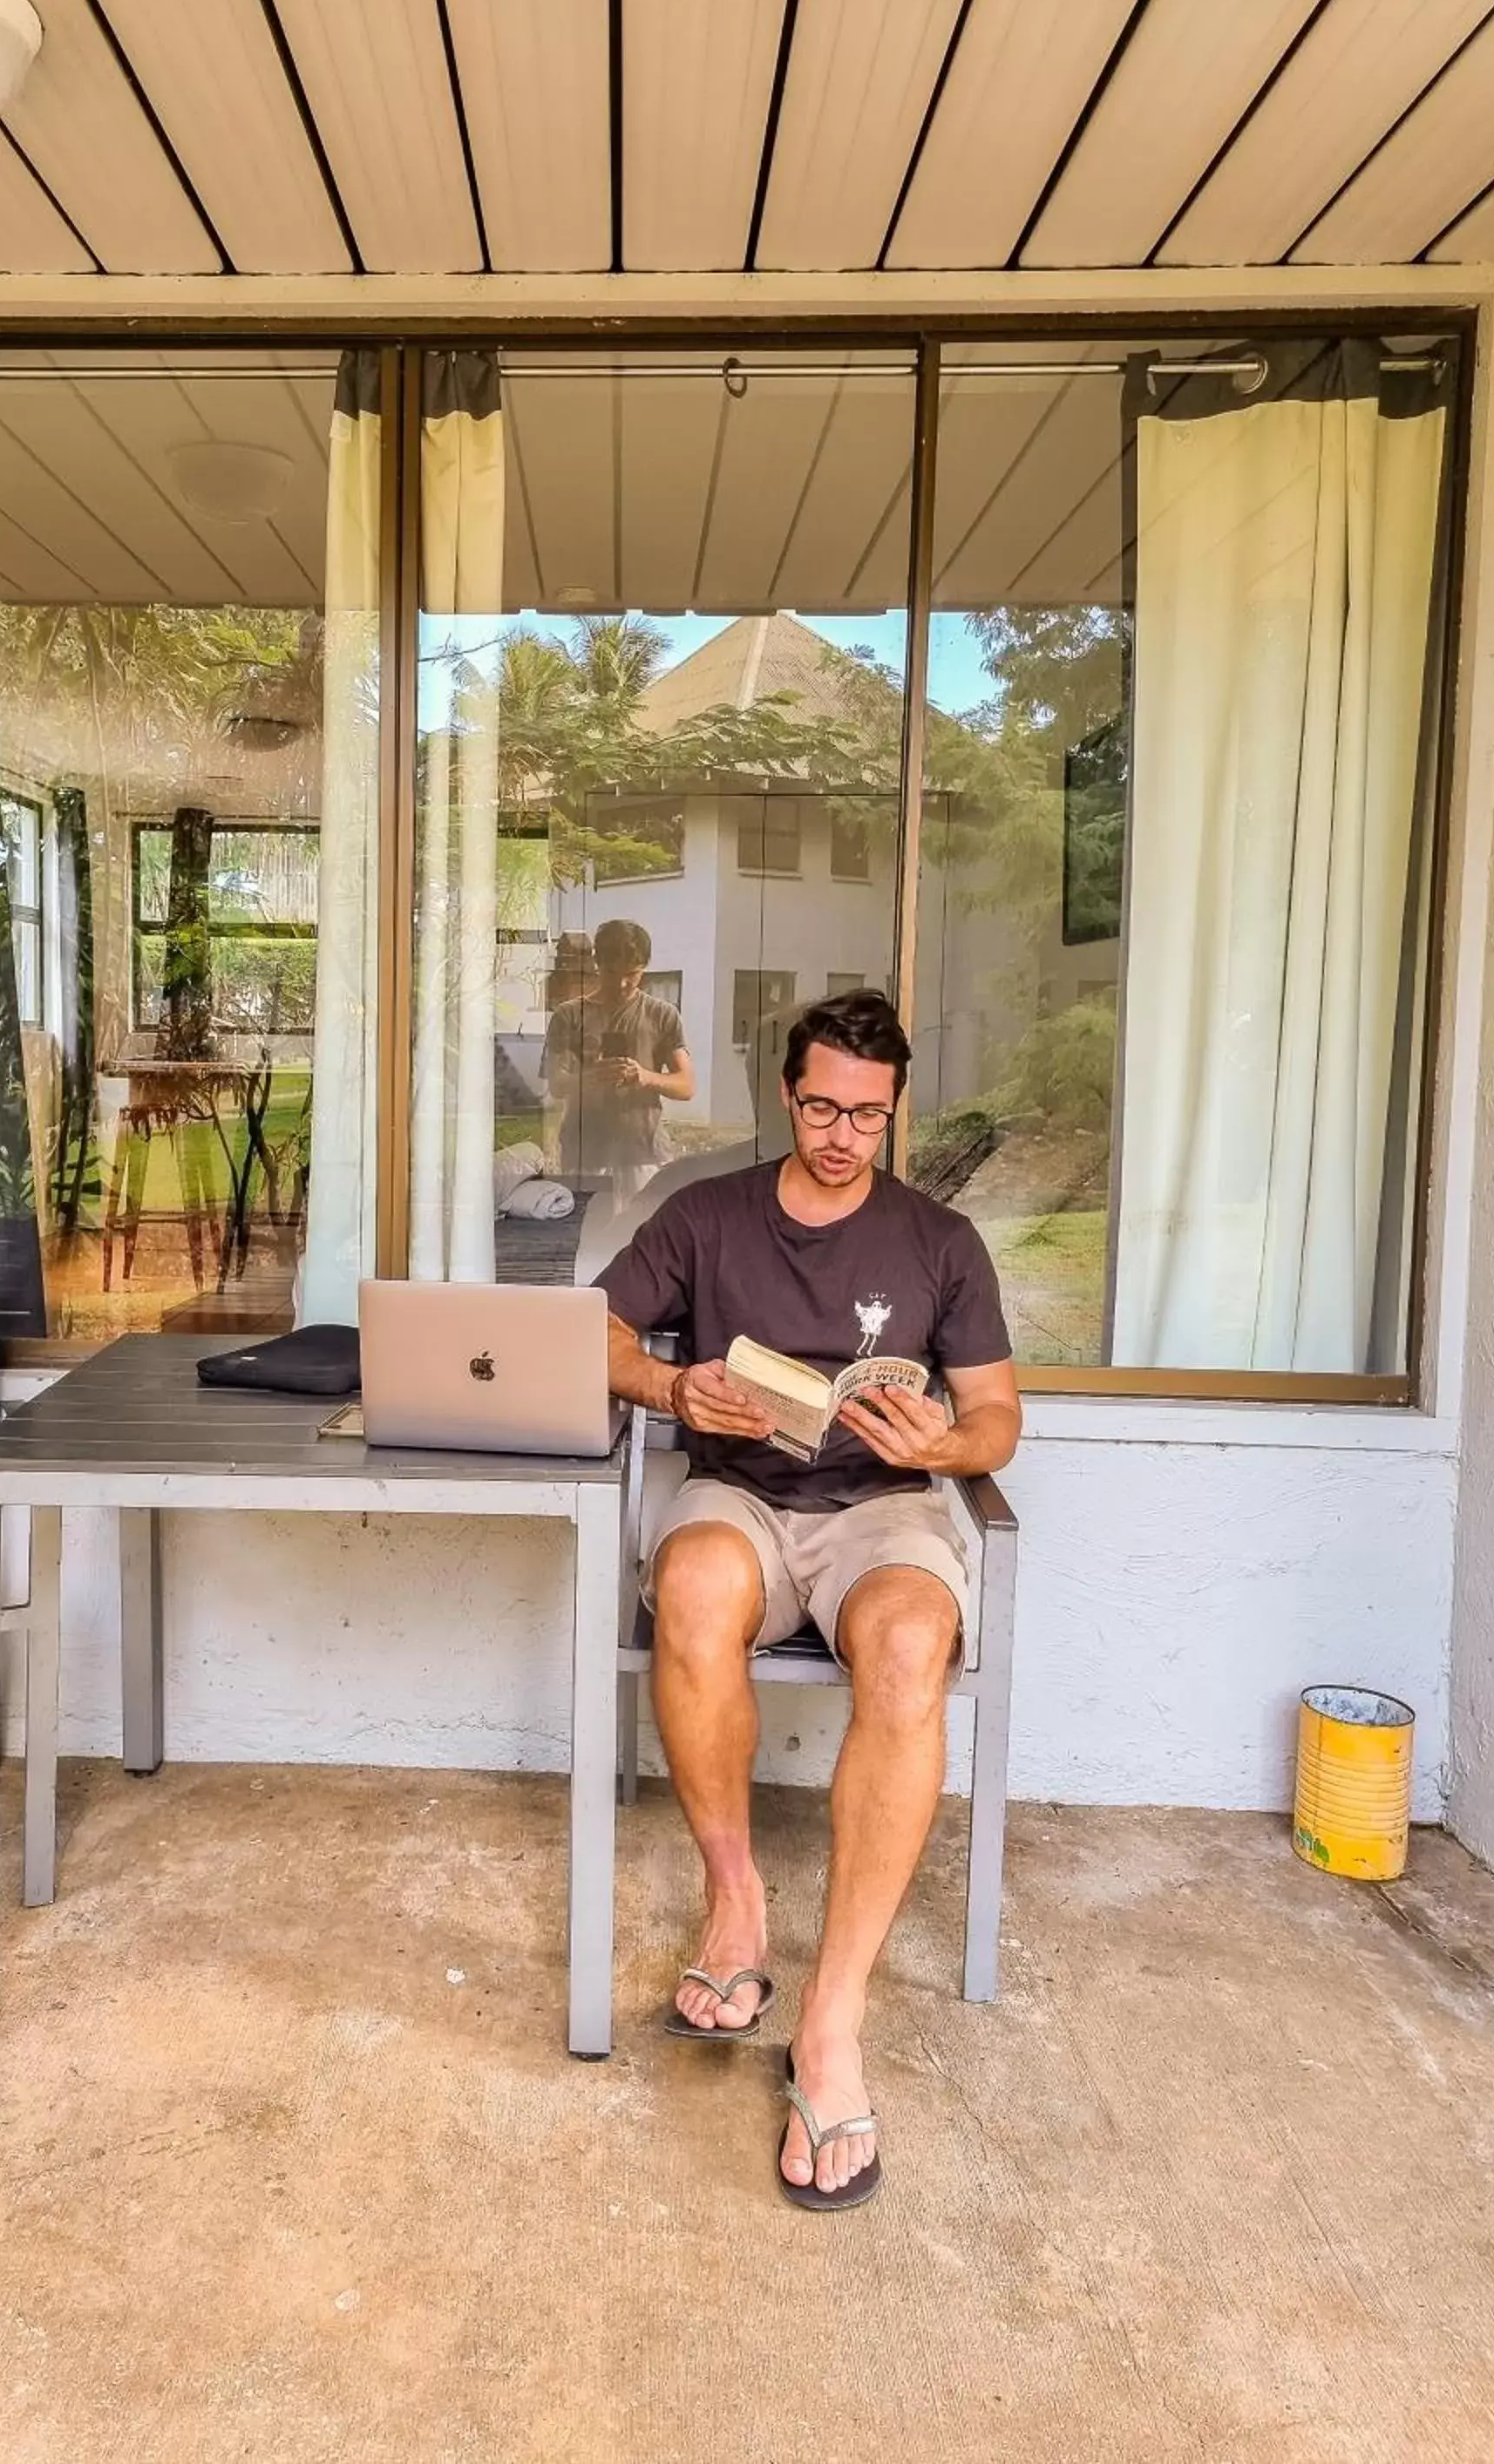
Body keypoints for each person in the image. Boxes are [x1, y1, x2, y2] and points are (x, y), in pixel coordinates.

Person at [599, 988, 1020, 2212]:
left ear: (894, 1113)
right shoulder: (707, 1218)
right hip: (740, 1492)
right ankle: (736, 1905)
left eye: (869, 1117)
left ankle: (830, 2022)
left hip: (880, 1511)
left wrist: (944, 1442)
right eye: (823, 1107)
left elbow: (999, 1416)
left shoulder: (940, 1243)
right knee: (687, 1587)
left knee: (908, 1643)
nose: (843, 1134)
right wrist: (674, 1391)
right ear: (786, 1097)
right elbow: (598, 1336)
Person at [544, 919, 694, 1200]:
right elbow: (556, 1084)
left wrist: (644, 1076)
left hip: (643, 1152)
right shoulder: (568, 1016)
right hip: (585, 1152)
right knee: (588, 1235)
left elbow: (686, 1086)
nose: (623, 983)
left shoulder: (663, 1015)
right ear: (597, 964)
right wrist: (590, 1077)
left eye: (633, 974)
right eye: (613, 973)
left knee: (642, 1237)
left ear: (644, 969)